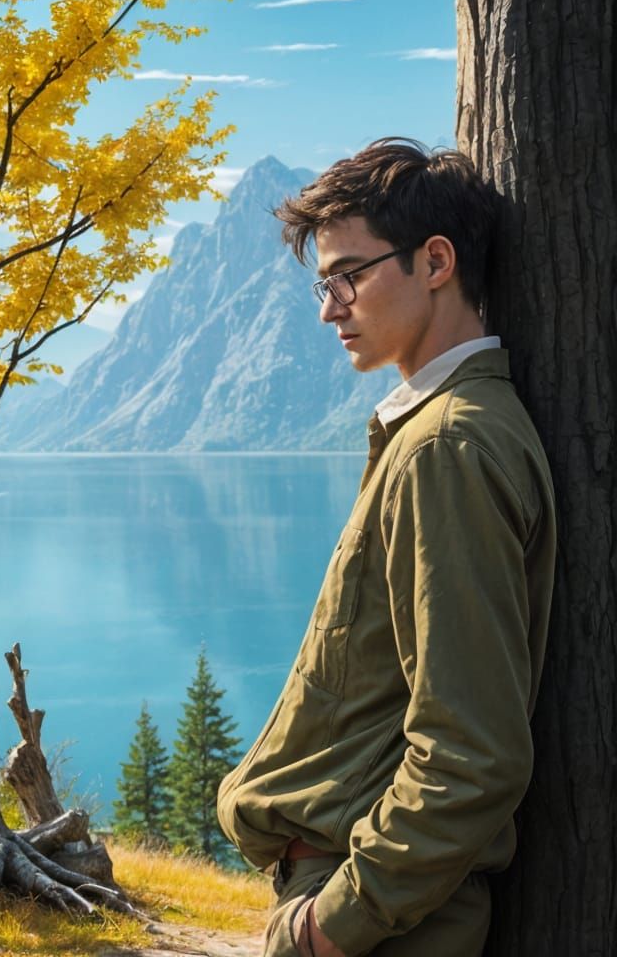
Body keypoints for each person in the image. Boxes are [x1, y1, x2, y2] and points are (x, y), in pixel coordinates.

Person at [216, 139, 556, 957]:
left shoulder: (448, 447)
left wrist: (331, 928)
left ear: (435, 261)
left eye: (349, 276)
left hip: (380, 925)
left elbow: (471, 754)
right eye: (323, 283)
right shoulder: (438, 433)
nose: (329, 307)